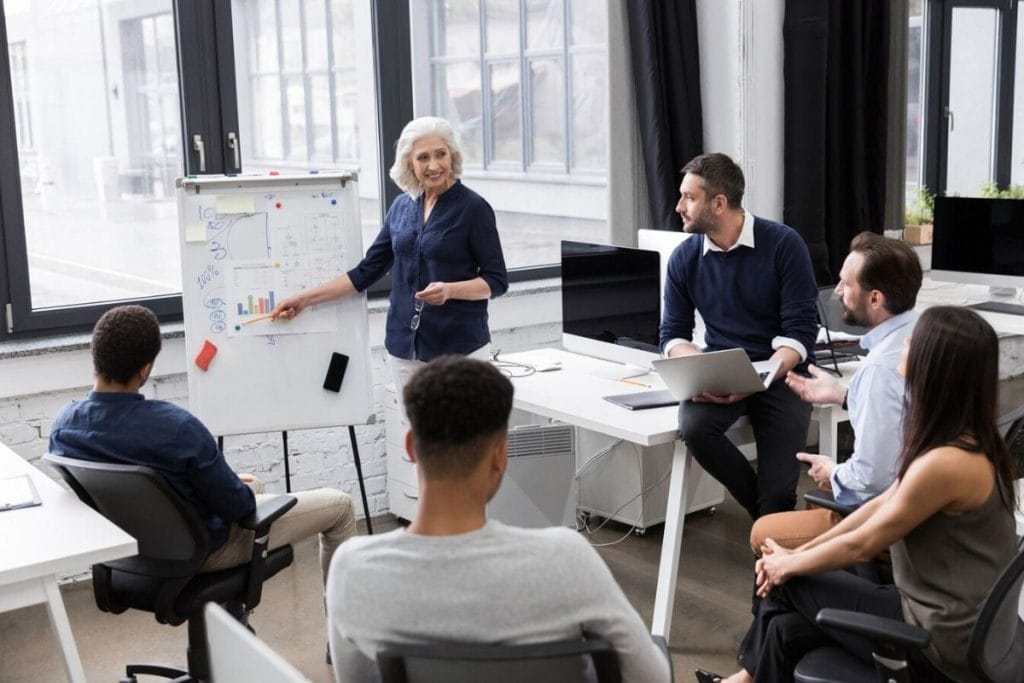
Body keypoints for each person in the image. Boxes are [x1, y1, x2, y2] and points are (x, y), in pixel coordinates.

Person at [696, 306, 1018, 683]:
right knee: (784, 630)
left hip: (939, 643)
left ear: (934, 365)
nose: (904, 345)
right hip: (946, 620)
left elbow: (863, 543)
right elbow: (875, 509)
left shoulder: (947, 463)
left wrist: (787, 565)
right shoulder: (960, 441)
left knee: (788, 584)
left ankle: (744, 680)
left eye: (913, 341)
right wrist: (794, 554)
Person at [326, 356, 671, 683]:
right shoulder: (565, 559)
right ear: (500, 455)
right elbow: (652, 677)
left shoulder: (352, 569)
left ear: (411, 446)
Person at [49, 305, 356, 587]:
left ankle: (230, 625)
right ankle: (345, 638)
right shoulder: (176, 427)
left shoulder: (63, 426)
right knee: (340, 506)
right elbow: (241, 508)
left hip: (132, 552)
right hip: (202, 551)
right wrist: (238, 491)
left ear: (96, 357)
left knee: (254, 484)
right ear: (145, 368)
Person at [271, 116, 509, 394]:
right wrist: (303, 300)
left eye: (441, 154)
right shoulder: (401, 207)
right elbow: (366, 272)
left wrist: (450, 290)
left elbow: (496, 281)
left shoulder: (474, 209)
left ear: (452, 156)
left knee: (457, 437)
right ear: (410, 163)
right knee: (415, 436)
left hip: (459, 350)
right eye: (423, 157)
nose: (434, 165)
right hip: (404, 348)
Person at [661, 153, 819, 519]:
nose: (679, 206)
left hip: (781, 374)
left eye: (689, 197)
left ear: (719, 203)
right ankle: (771, 518)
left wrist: (756, 379)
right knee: (694, 428)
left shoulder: (783, 244)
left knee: (779, 488)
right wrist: (696, 369)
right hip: (723, 367)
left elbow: (800, 334)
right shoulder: (684, 258)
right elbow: (672, 334)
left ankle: (773, 516)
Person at [749, 232, 922, 552]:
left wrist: (833, 471)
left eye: (846, 284)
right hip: (923, 506)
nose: (838, 292)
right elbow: (903, 415)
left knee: (764, 533)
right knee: (814, 510)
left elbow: (872, 479)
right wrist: (844, 395)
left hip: (892, 521)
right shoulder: (921, 335)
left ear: (875, 298)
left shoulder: (880, 370)